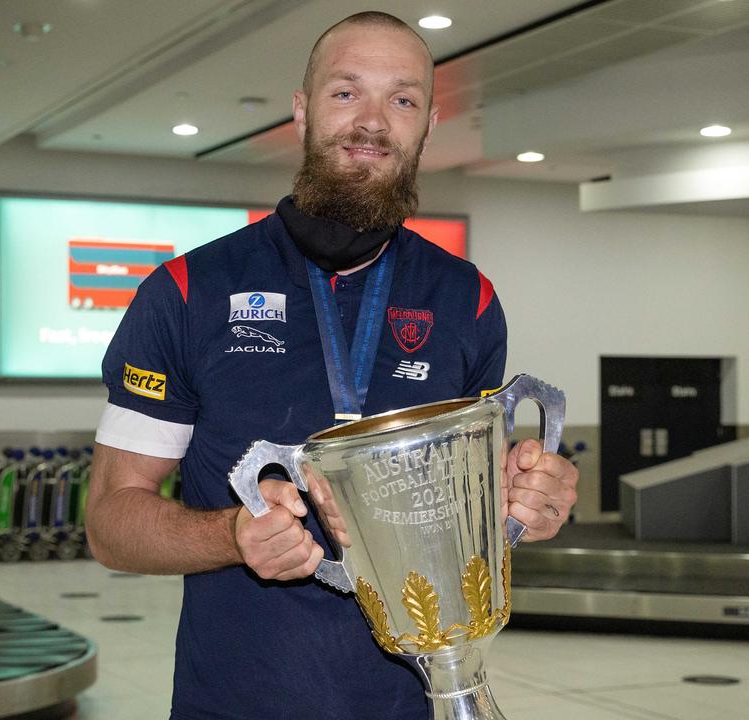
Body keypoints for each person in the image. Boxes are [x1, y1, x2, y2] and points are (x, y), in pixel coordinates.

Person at [87, 11, 578, 719]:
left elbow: (473, 514)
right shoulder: (189, 293)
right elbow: (110, 522)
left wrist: (530, 501)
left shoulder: (466, 299)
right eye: (346, 92)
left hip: (408, 704)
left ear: (428, 125)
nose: (373, 121)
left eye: (401, 99)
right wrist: (229, 535)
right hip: (232, 703)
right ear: (302, 111)